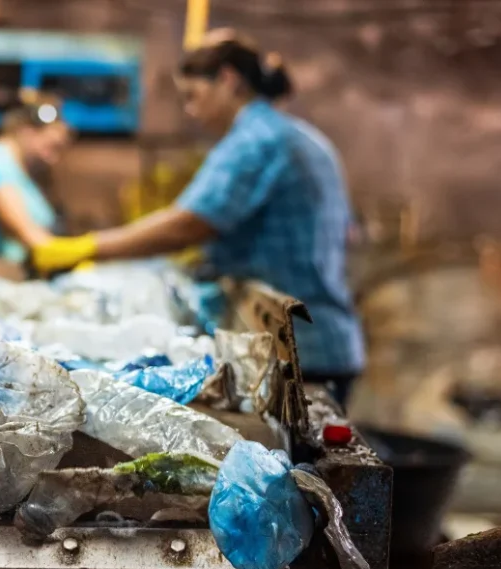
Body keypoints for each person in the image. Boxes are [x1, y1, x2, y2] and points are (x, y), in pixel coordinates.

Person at [31, 36, 363, 406]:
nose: (189, 110)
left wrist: (88, 247)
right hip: (320, 340)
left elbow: (188, 224)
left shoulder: (256, 139)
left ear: (228, 79)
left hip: (303, 352)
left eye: (192, 95)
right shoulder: (296, 135)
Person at [0, 96, 71, 263]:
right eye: (51, 147)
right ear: (27, 132)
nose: (53, 159)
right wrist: (93, 248)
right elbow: (31, 238)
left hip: (8, 276)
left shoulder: (22, 171)